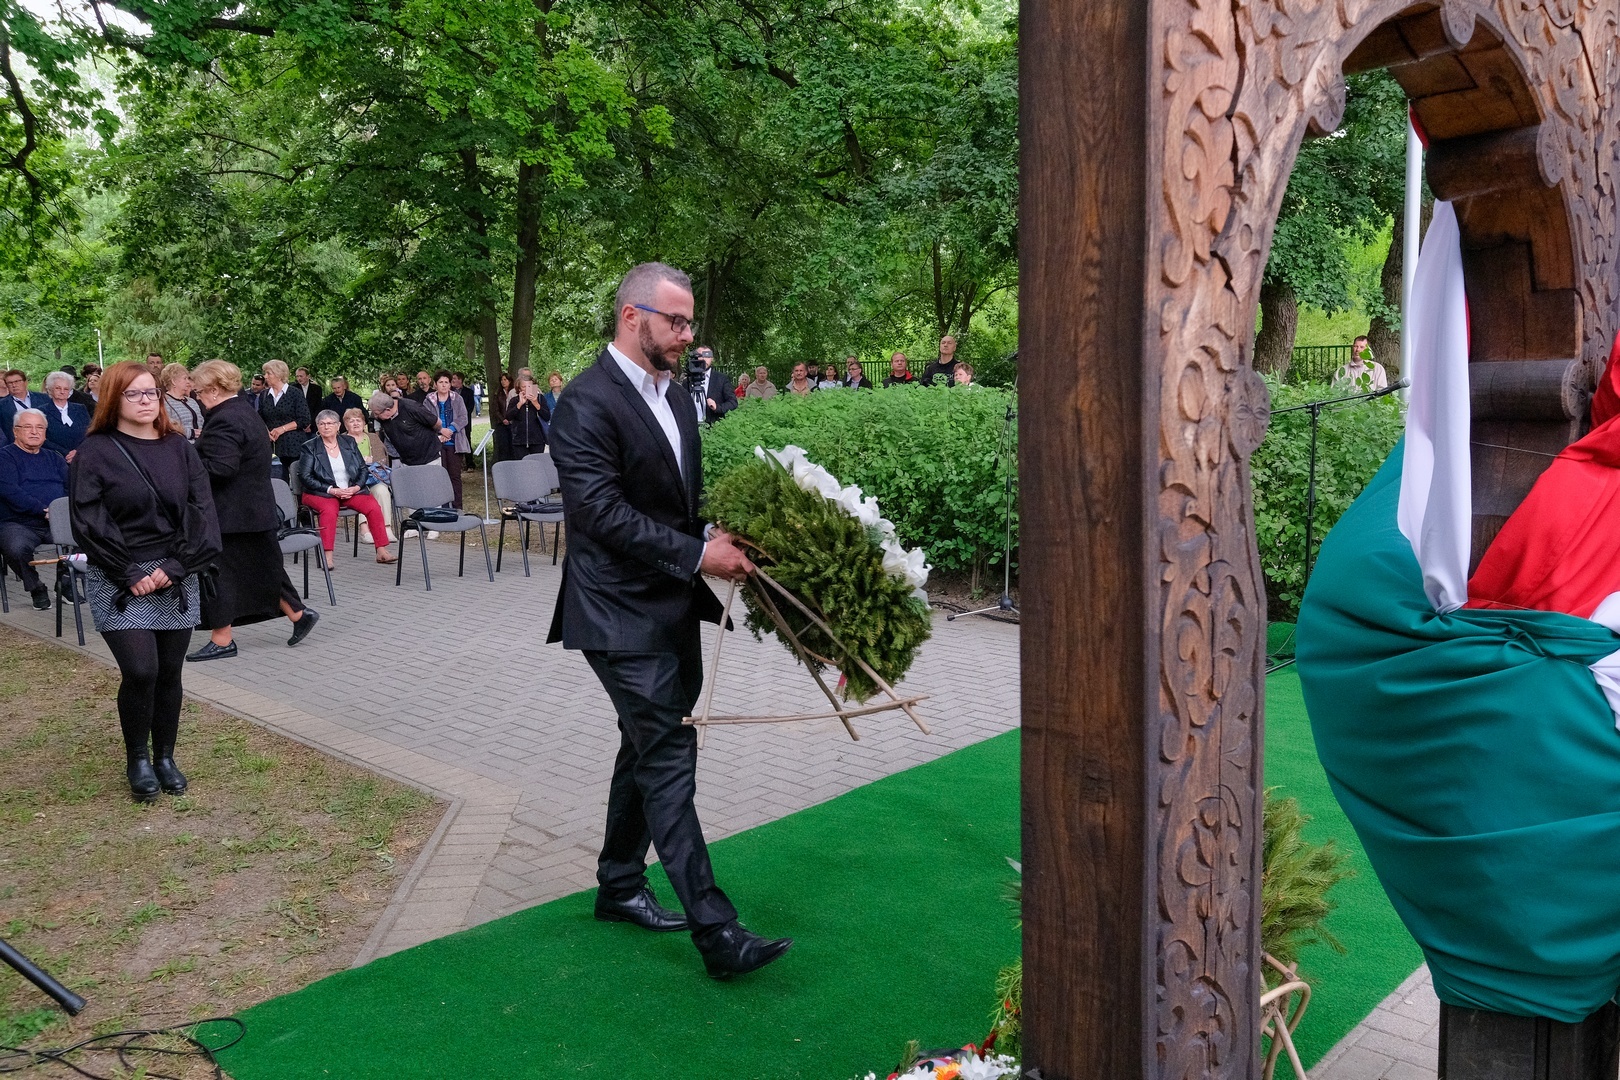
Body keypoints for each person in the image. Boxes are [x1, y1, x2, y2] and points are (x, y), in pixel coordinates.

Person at [548, 260, 791, 980]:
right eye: (676, 321)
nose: (688, 335)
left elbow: (674, 506)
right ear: (632, 317)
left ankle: (619, 885)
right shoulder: (584, 403)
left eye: (689, 323)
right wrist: (698, 555)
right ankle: (717, 931)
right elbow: (599, 513)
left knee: (645, 742)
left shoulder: (680, 399)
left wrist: (715, 534)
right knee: (667, 752)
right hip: (614, 611)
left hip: (672, 604)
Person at [70, 361, 222, 802]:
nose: (145, 401)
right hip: (119, 577)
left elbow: (201, 511)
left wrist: (175, 567)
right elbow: (89, 518)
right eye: (133, 393)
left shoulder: (179, 448)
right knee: (141, 670)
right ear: (112, 399)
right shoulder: (95, 451)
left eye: (151, 392)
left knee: (169, 672)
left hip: (175, 573)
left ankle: (165, 757)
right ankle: (137, 757)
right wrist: (128, 571)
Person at [187, 360, 319, 663]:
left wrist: (186, 463)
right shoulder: (245, 410)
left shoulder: (225, 418)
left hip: (231, 514)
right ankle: (299, 614)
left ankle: (222, 640)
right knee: (264, 566)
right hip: (253, 509)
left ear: (214, 389)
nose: (198, 396)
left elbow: (221, 467)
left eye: (200, 391)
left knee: (218, 573)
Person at [298, 410, 397, 565]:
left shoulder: (348, 442)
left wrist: (356, 487)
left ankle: (382, 551)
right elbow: (305, 476)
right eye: (322, 424)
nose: (326, 427)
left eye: (330, 423)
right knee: (329, 510)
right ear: (317, 426)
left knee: (372, 506)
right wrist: (332, 490)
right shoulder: (310, 447)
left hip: (350, 491)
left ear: (338, 426)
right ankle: (327, 557)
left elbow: (363, 469)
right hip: (320, 493)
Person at [0, 409, 67, 610]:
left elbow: (71, 487)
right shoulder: (4, 457)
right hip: (18, 523)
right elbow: (10, 491)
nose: (34, 432)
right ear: (15, 431)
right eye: (28, 427)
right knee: (16, 548)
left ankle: (64, 583)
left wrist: (60, 511)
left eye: (40, 427)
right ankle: (36, 587)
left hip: (56, 521)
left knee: (88, 537)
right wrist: (44, 510)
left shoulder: (55, 458)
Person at [343, 408, 398, 544]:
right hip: (352, 481)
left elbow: (382, 460)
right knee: (363, 493)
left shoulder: (373, 437)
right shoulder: (342, 440)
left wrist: (371, 460)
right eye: (352, 421)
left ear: (364, 423)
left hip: (373, 477)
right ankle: (365, 530)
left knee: (383, 491)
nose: (356, 423)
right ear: (346, 425)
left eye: (358, 420)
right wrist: (360, 461)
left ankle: (386, 528)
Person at [258, 359, 311, 477]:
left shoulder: (295, 393)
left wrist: (282, 429)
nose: (265, 376)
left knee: (296, 479)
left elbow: (304, 419)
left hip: (293, 445)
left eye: (268, 373)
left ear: (279, 375)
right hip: (272, 446)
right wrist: (266, 432)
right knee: (277, 480)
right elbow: (259, 417)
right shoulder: (264, 395)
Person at [426, 370, 469, 508]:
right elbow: (426, 419)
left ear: (450, 384)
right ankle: (443, 507)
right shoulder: (429, 400)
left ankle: (457, 507)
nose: (444, 385)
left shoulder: (457, 399)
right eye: (441, 382)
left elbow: (463, 418)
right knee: (440, 476)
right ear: (435, 384)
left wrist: (450, 430)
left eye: (446, 382)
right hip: (437, 442)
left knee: (455, 476)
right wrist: (440, 431)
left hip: (454, 443)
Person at [42, 372, 91, 459]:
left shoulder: (80, 409)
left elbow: (89, 432)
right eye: (58, 388)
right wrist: (66, 454)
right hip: (55, 458)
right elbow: (43, 438)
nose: (62, 392)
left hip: (82, 457)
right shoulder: (42, 411)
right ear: (50, 389)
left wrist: (78, 451)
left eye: (66, 389)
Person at [507, 376, 551, 460]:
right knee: (522, 464)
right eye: (524, 387)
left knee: (537, 464)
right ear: (519, 389)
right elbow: (508, 417)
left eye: (529, 386)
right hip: (519, 440)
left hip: (537, 440)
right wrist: (519, 404)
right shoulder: (514, 400)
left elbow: (547, 416)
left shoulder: (540, 398)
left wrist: (536, 403)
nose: (527, 389)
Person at [0, 370, 48, 444]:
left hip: (44, 444)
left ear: (25, 382)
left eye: (17, 381)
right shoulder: (2, 405)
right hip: (16, 445)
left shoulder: (44, 399)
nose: (14, 385)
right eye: (10, 383)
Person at [692, 347, 736, 425]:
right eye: (700, 356)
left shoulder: (722, 379)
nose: (704, 359)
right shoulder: (688, 380)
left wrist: (717, 407)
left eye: (707, 356)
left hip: (713, 426)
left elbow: (733, 402)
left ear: (712, 358)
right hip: (691, 426)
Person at [160, 363, 203, 441]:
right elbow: (167, 425)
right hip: (181, 445)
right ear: (173, 381)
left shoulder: (191, 401)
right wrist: (190, 433)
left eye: (188, 379)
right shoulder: (164, 402)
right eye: (185, 378)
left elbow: (201, 422)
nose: (188, 382)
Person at [490, 372, 514, 463]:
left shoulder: (514, 392)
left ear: (510, 381)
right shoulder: (498, 394)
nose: (503, 382)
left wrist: (510, 418)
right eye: (501, 380)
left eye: (505, 380)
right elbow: (495, 409)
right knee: (503, 447)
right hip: (502, 424)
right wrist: (502, 419)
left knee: (513, 446)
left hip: (513, 423)